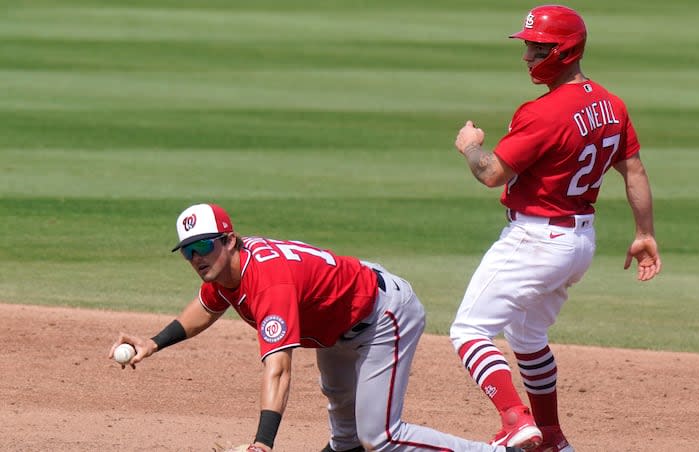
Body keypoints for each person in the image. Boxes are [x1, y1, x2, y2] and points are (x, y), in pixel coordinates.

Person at [108, 203, 526, 452]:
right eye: (188, 252)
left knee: (378, 437)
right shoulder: (226, 272)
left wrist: (262, 443)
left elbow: (279, 368)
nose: (197, 257)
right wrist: (153, 342)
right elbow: (206, 306)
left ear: (230, 240)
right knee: (344, 437)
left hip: (381, 316)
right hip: (337, 328)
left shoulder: (267, 280)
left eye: (204, 246)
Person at [449, 5, 662, 452]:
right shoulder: (611, 104)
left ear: (564, 52)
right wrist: (645, 232)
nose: (527, 56)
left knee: (468, 330)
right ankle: (550, 435)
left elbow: (491, 173)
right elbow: (635, 170)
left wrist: (471, 147)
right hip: (578, 243)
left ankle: (516, 420)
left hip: (535, 239)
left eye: (537, 47)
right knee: (527, 336)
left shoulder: (543, 113)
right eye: (527, 45)